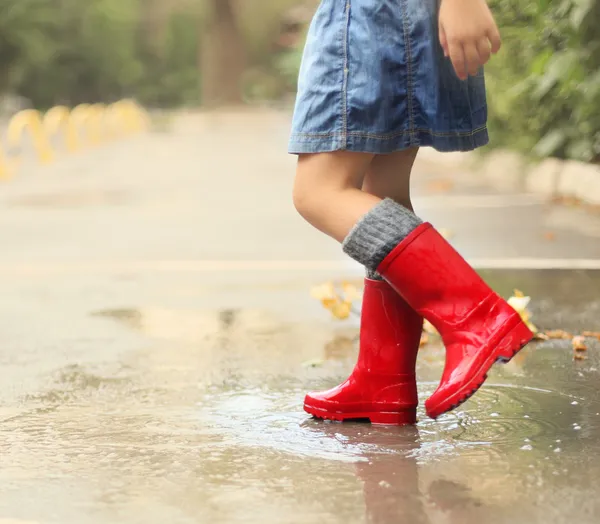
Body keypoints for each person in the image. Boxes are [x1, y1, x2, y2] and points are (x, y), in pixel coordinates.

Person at [290, 0, 533, 423]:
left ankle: (477, 319)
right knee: (383, 192)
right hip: (396, 18)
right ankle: (382, 378)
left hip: (373, 16)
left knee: (318, 193)